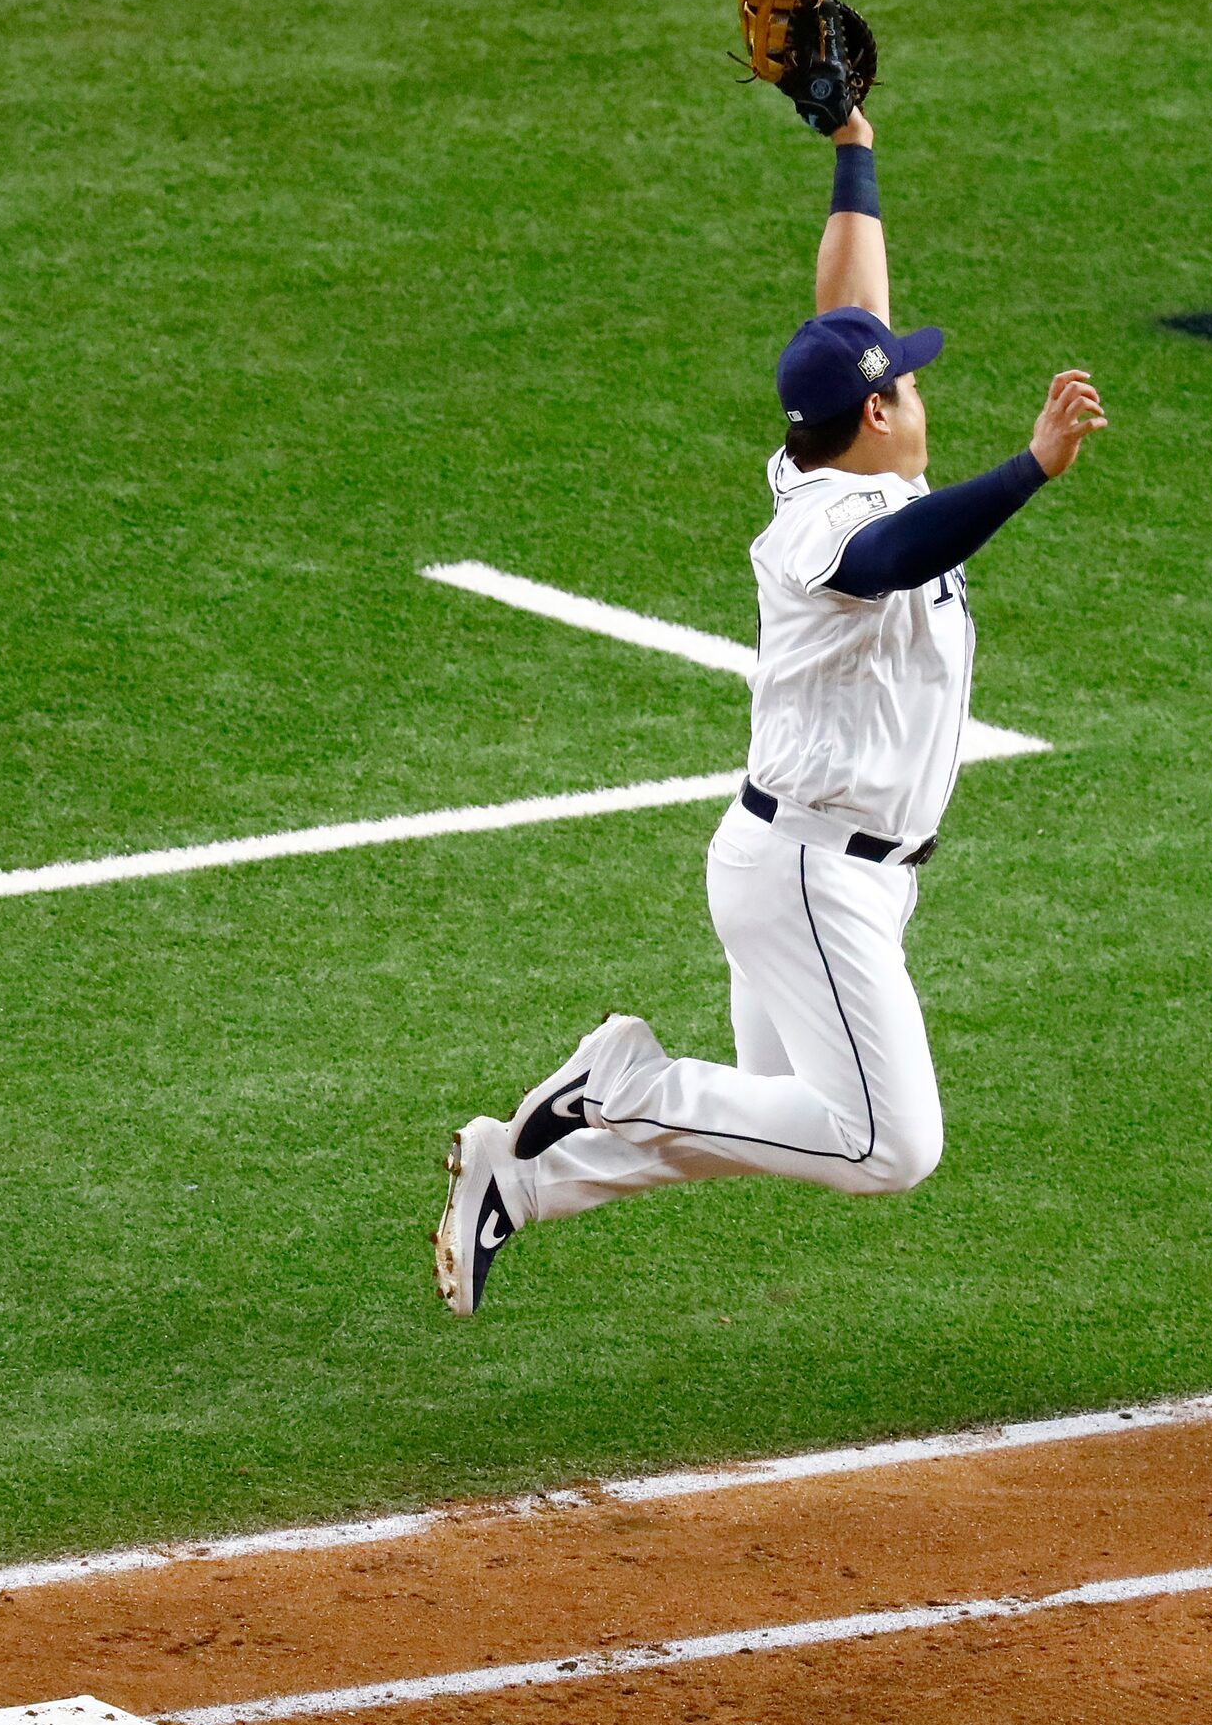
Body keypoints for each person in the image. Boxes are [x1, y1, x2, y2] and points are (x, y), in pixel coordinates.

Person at [434, 104, 1107, 1315]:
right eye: (902, 383)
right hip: (809, 874)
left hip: (828, 866)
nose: (913, 383)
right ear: (879, 420)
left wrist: (854, 145)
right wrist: (1030, 472)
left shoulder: (822, 451)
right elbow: (896, 554)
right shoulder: (829, 523)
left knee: (777, 1111)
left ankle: (519, 1178)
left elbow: (847, 319)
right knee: (886, 1148)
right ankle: (620, 1082)